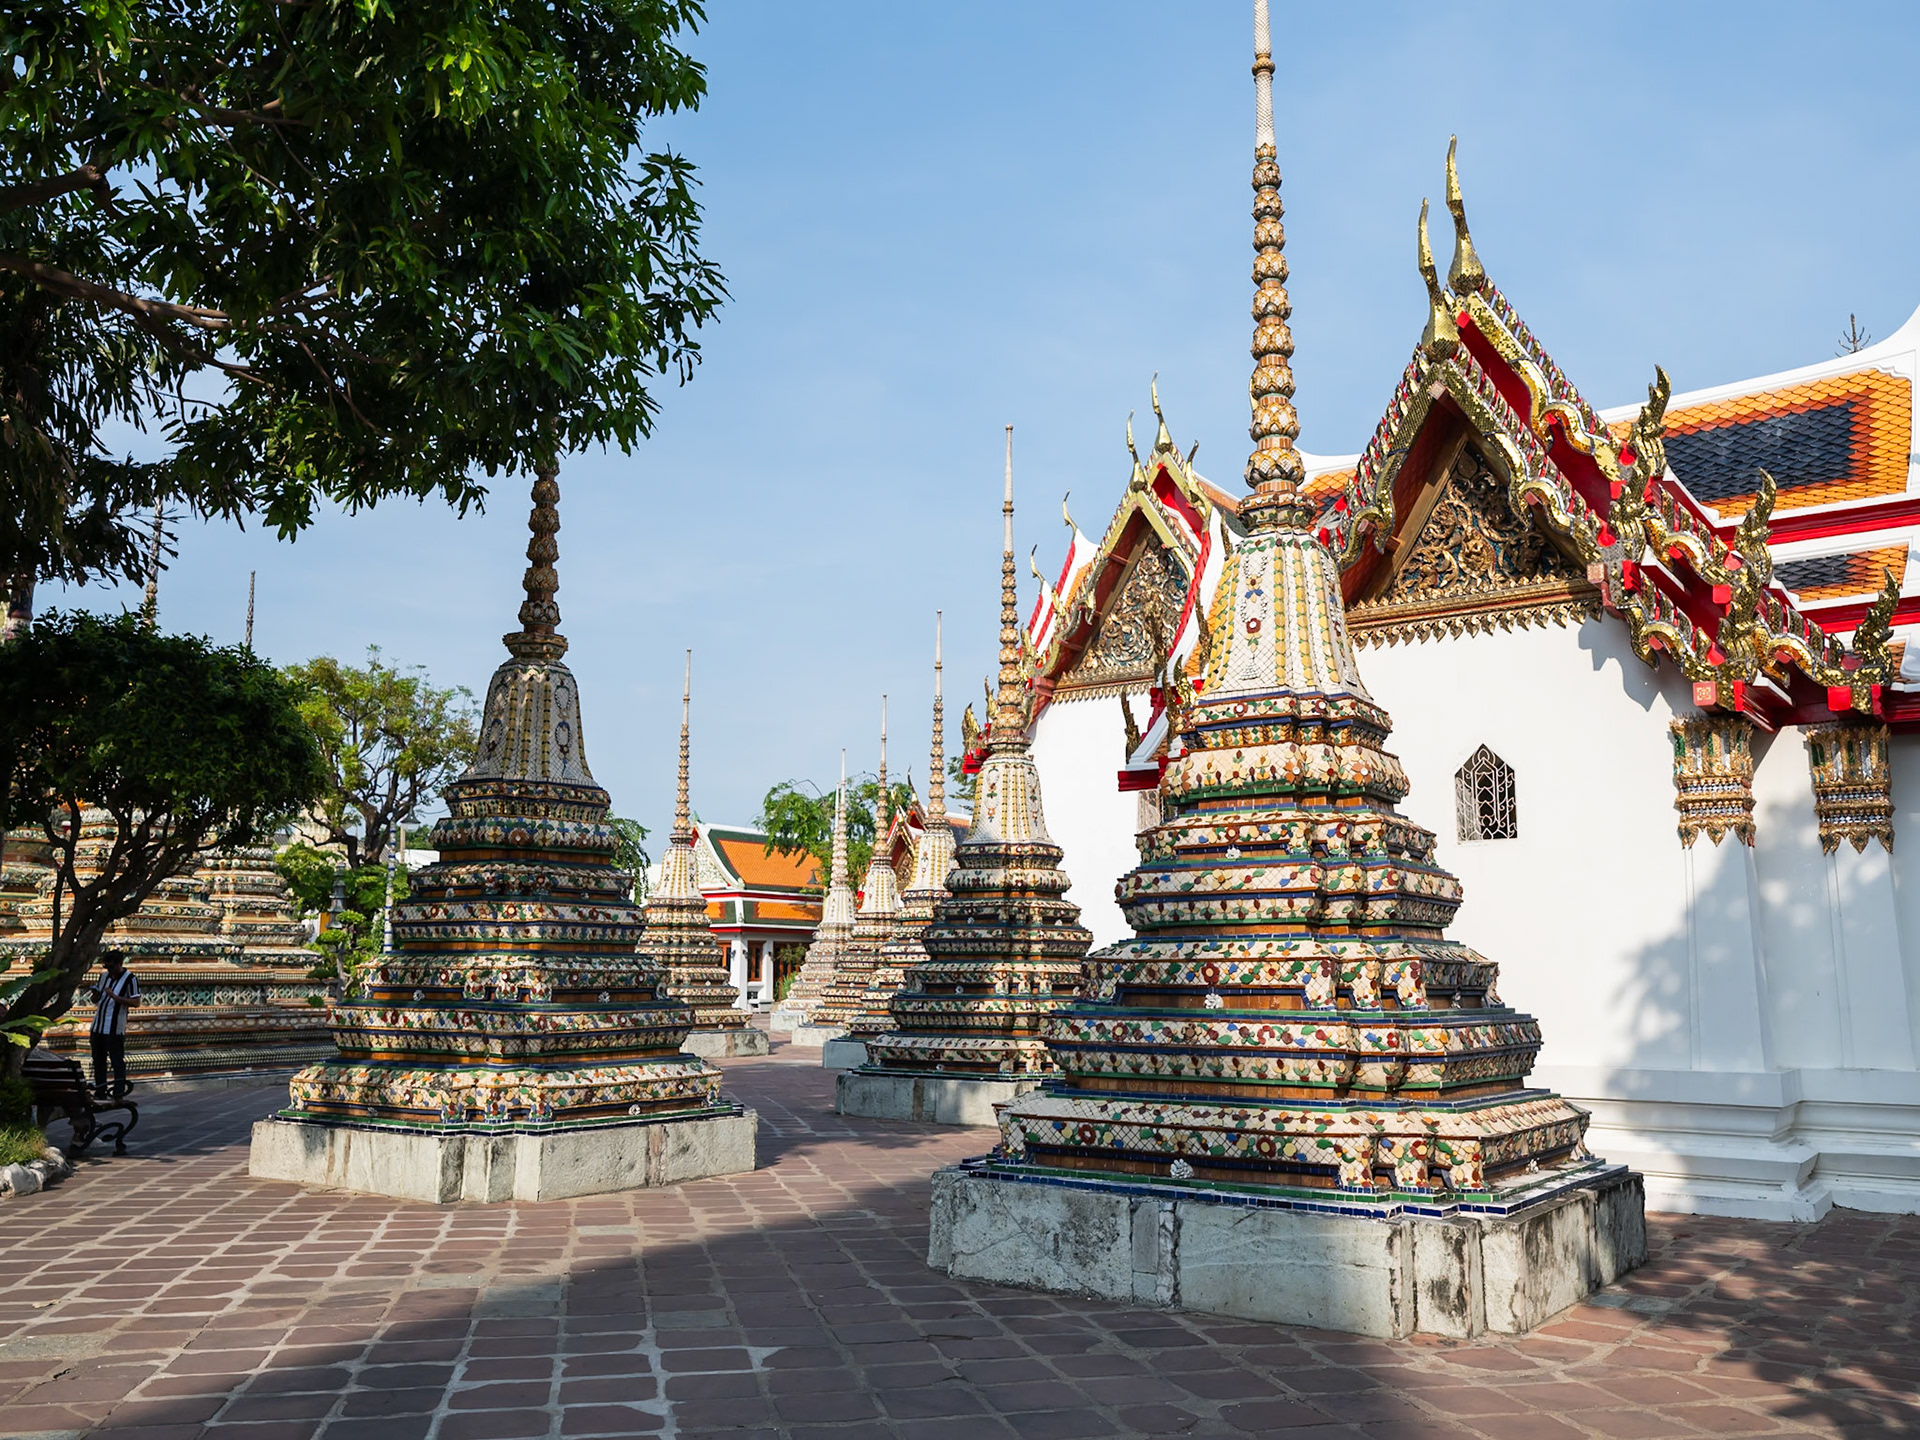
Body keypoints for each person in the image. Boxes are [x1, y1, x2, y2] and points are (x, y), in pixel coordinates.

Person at [88, 949, 141, 1099]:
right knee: (98, 1060)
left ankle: (118, 1092)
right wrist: (95, 995)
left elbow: (136, 1002)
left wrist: (114, 997)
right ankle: (101, 1091)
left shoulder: (130, 979)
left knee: (117, 1060)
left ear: (119, 964)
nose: (109, 970)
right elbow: (96, 1000)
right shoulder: (104, 977)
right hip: (98, 1025)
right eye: (106, 967)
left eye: (111, 967)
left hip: (115, 1027)